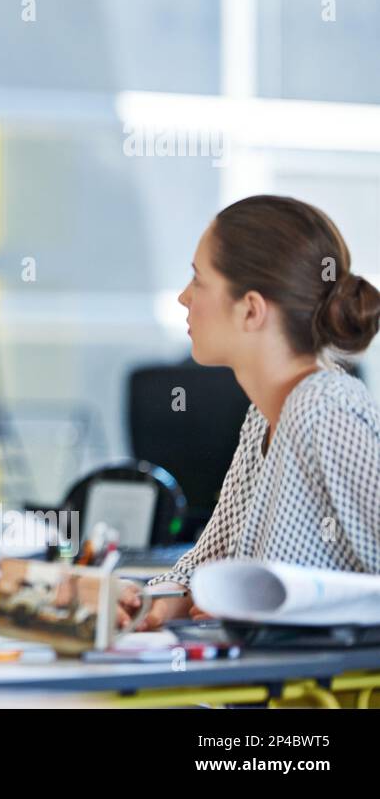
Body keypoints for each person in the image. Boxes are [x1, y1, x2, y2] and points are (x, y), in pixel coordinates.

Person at [120, 195, 380, 631]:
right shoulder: (264, 415)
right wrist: (153, 602)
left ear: (251, 310)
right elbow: (209, 561)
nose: (185, 297)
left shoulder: (325, 410)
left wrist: (266, 607)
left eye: (198, 281)